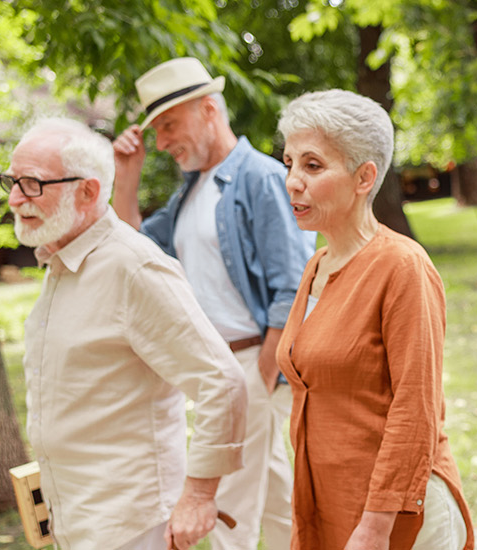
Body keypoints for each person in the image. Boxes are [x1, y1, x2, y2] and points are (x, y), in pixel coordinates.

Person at [6, 118, 247, 550]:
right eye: (12, 180)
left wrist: (198, 496)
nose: (14, 198)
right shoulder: (60, 262)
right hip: (79, 520)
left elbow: (221, 380)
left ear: (88, 191)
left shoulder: (133, 268)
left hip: (133, 526)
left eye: (32, 184)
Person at [111, 57, 313, 550]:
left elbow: (291, 286)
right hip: (216, 369)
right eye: (155, 130)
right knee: (279, 507)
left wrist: (261, 379)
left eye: (168, 126)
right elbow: (127, 245)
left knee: (226, 513)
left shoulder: (260, 179)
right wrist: (127, 175)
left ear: (208, 110)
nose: (161, 142)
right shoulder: (189, 194)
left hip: (248, 368)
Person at [274, 89, 473, 550]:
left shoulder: (402, 266)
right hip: (332, 503)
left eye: (312, 165)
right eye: (289, 163)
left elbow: (415, 408)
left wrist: (376, 525)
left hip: (395, 517)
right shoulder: (317, 264)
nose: (292, 181)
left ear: (364, 177)